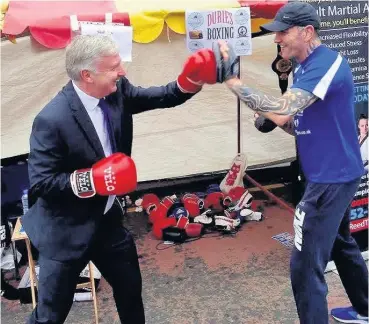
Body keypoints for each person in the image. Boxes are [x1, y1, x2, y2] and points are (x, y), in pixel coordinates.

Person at [21, 34, 216, 324]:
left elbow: (162, 96)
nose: (122, 71)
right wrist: (93, 180)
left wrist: (189, 82)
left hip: (106, 222)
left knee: (130, 293)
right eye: (113, 67)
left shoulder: (116, 91)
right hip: (64, 230)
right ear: (87, 75)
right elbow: (41, 184)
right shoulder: (52, 119)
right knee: (50, 316)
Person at [210, 2, 368, 323]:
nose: (277, 38)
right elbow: (299, 123)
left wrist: (235, 82)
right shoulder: (304, 68)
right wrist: (271, 119)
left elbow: (283, 109)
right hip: (331, 172)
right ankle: (365, 309)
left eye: (283, 32)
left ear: (307, 32)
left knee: (304, 266)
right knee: (340, 242)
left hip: (330, 178)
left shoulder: (327, 64)